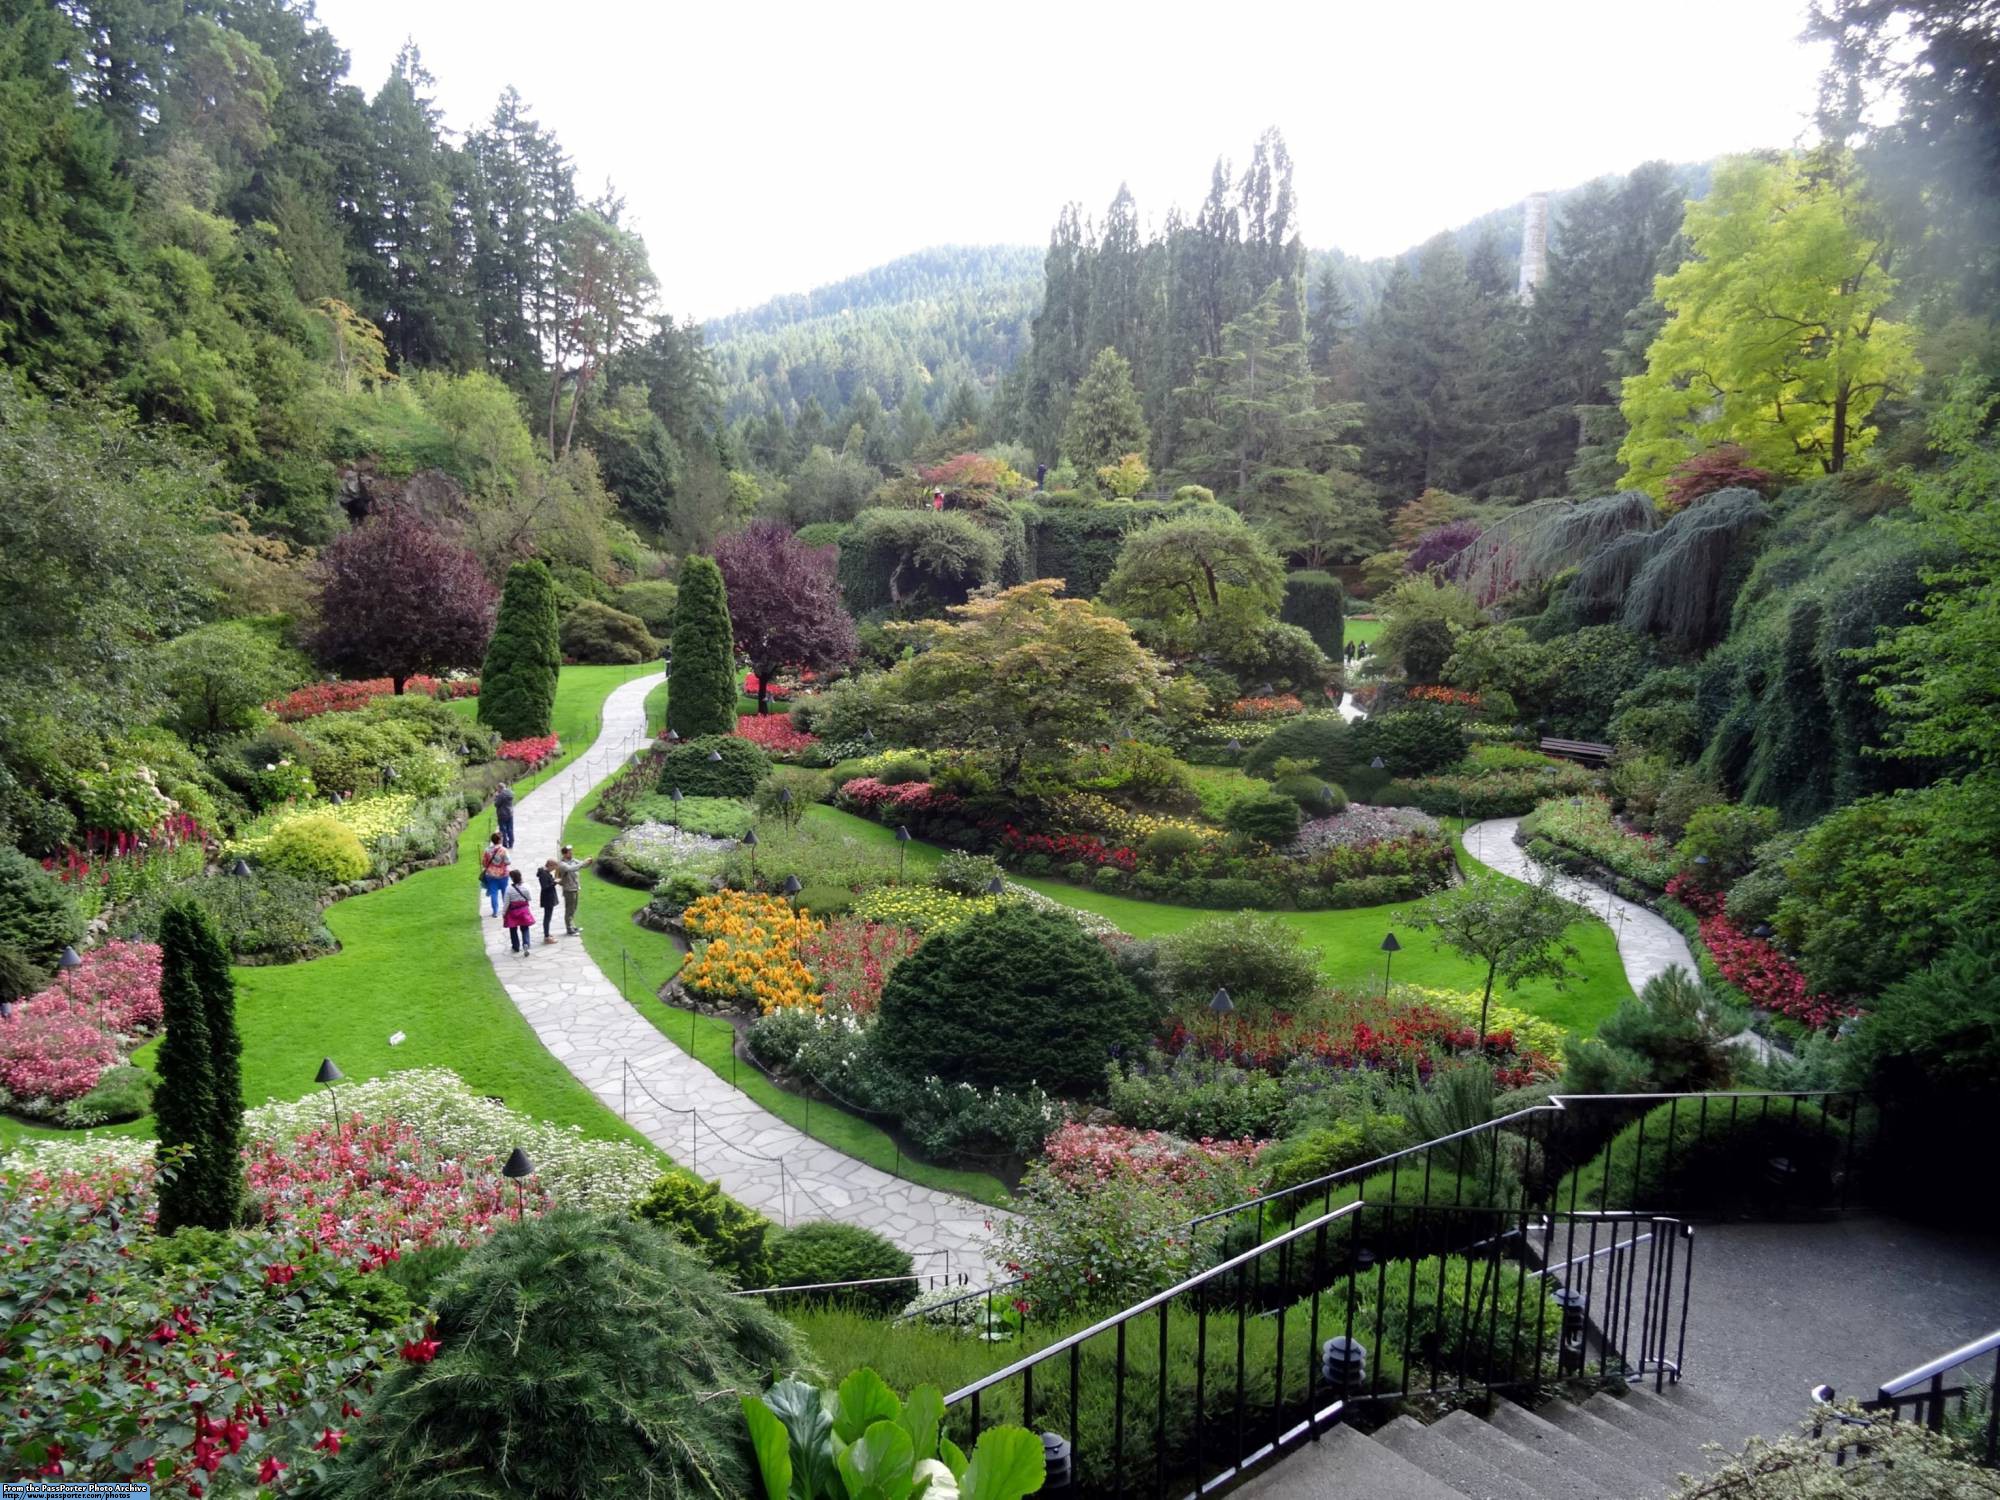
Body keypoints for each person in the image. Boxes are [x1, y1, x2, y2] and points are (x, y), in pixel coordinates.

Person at [557, 844, 590, 936]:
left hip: (575, 888)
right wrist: (583, 863)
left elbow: (582, 865)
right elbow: (572, 869)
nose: (571, 852)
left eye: (571, 851)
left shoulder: (573, 860)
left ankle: (572, 926)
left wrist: (588, 862)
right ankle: (569, 929)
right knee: (569, 910)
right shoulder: (562, 864)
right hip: (569, 890)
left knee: (573, 909)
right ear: (565, 854)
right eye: (569, 851)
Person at [502, 869, 535, 957]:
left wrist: (504, 913)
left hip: (513, 912)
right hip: (524, 910)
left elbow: (506, 902)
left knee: (513, 929)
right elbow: (529, 898)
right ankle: (526, 944)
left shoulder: (509, 889)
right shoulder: (526, 886)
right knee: (525, 928)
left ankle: (516, 946)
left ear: (512, 878)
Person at [478, 831, 511, 917]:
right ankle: (506, 910)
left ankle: (495, 911)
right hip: (503, 875)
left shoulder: (487, 850)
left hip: (490, 875)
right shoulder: (503, 850)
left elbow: (484, 863)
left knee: (493, 893)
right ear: (500, 840)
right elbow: (508, 862)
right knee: (505, 892)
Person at [537, 859, 560, 945]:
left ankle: (547, 933)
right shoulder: (544, 874)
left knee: (548, 917)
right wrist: (554, 882)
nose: (554, 869)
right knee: (547, 917)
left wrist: (553, 881)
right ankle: (546, 937)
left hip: (549, 897)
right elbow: (545, 887)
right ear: (550, 865)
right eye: (554, 867)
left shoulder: (545, 873)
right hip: (547, 898)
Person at [494, 781, 516, 848]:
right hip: (510, 813)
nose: (497, 790)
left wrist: (496, 797)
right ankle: (511, 843)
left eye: (498, 789)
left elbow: (496, 804)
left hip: (502, 814)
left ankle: (505, 844)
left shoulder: (500, 795)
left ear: (500, 788)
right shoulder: (510, 793)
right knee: (510, 829)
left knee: (503, 830)